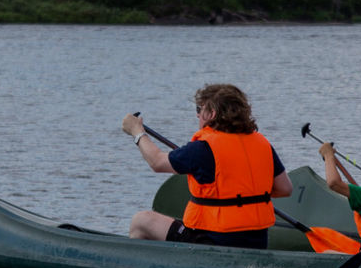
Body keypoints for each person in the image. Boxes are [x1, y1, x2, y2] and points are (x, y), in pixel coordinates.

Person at [123, 83, 291, 249]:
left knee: (141, 221)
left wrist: (137, 132)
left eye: (199, 110)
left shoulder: (203, 148)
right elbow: (285, 188)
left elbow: (157, 162)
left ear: (212, 113)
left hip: (213, 242)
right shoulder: (262, 144)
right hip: (257, 242)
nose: (197, 116)